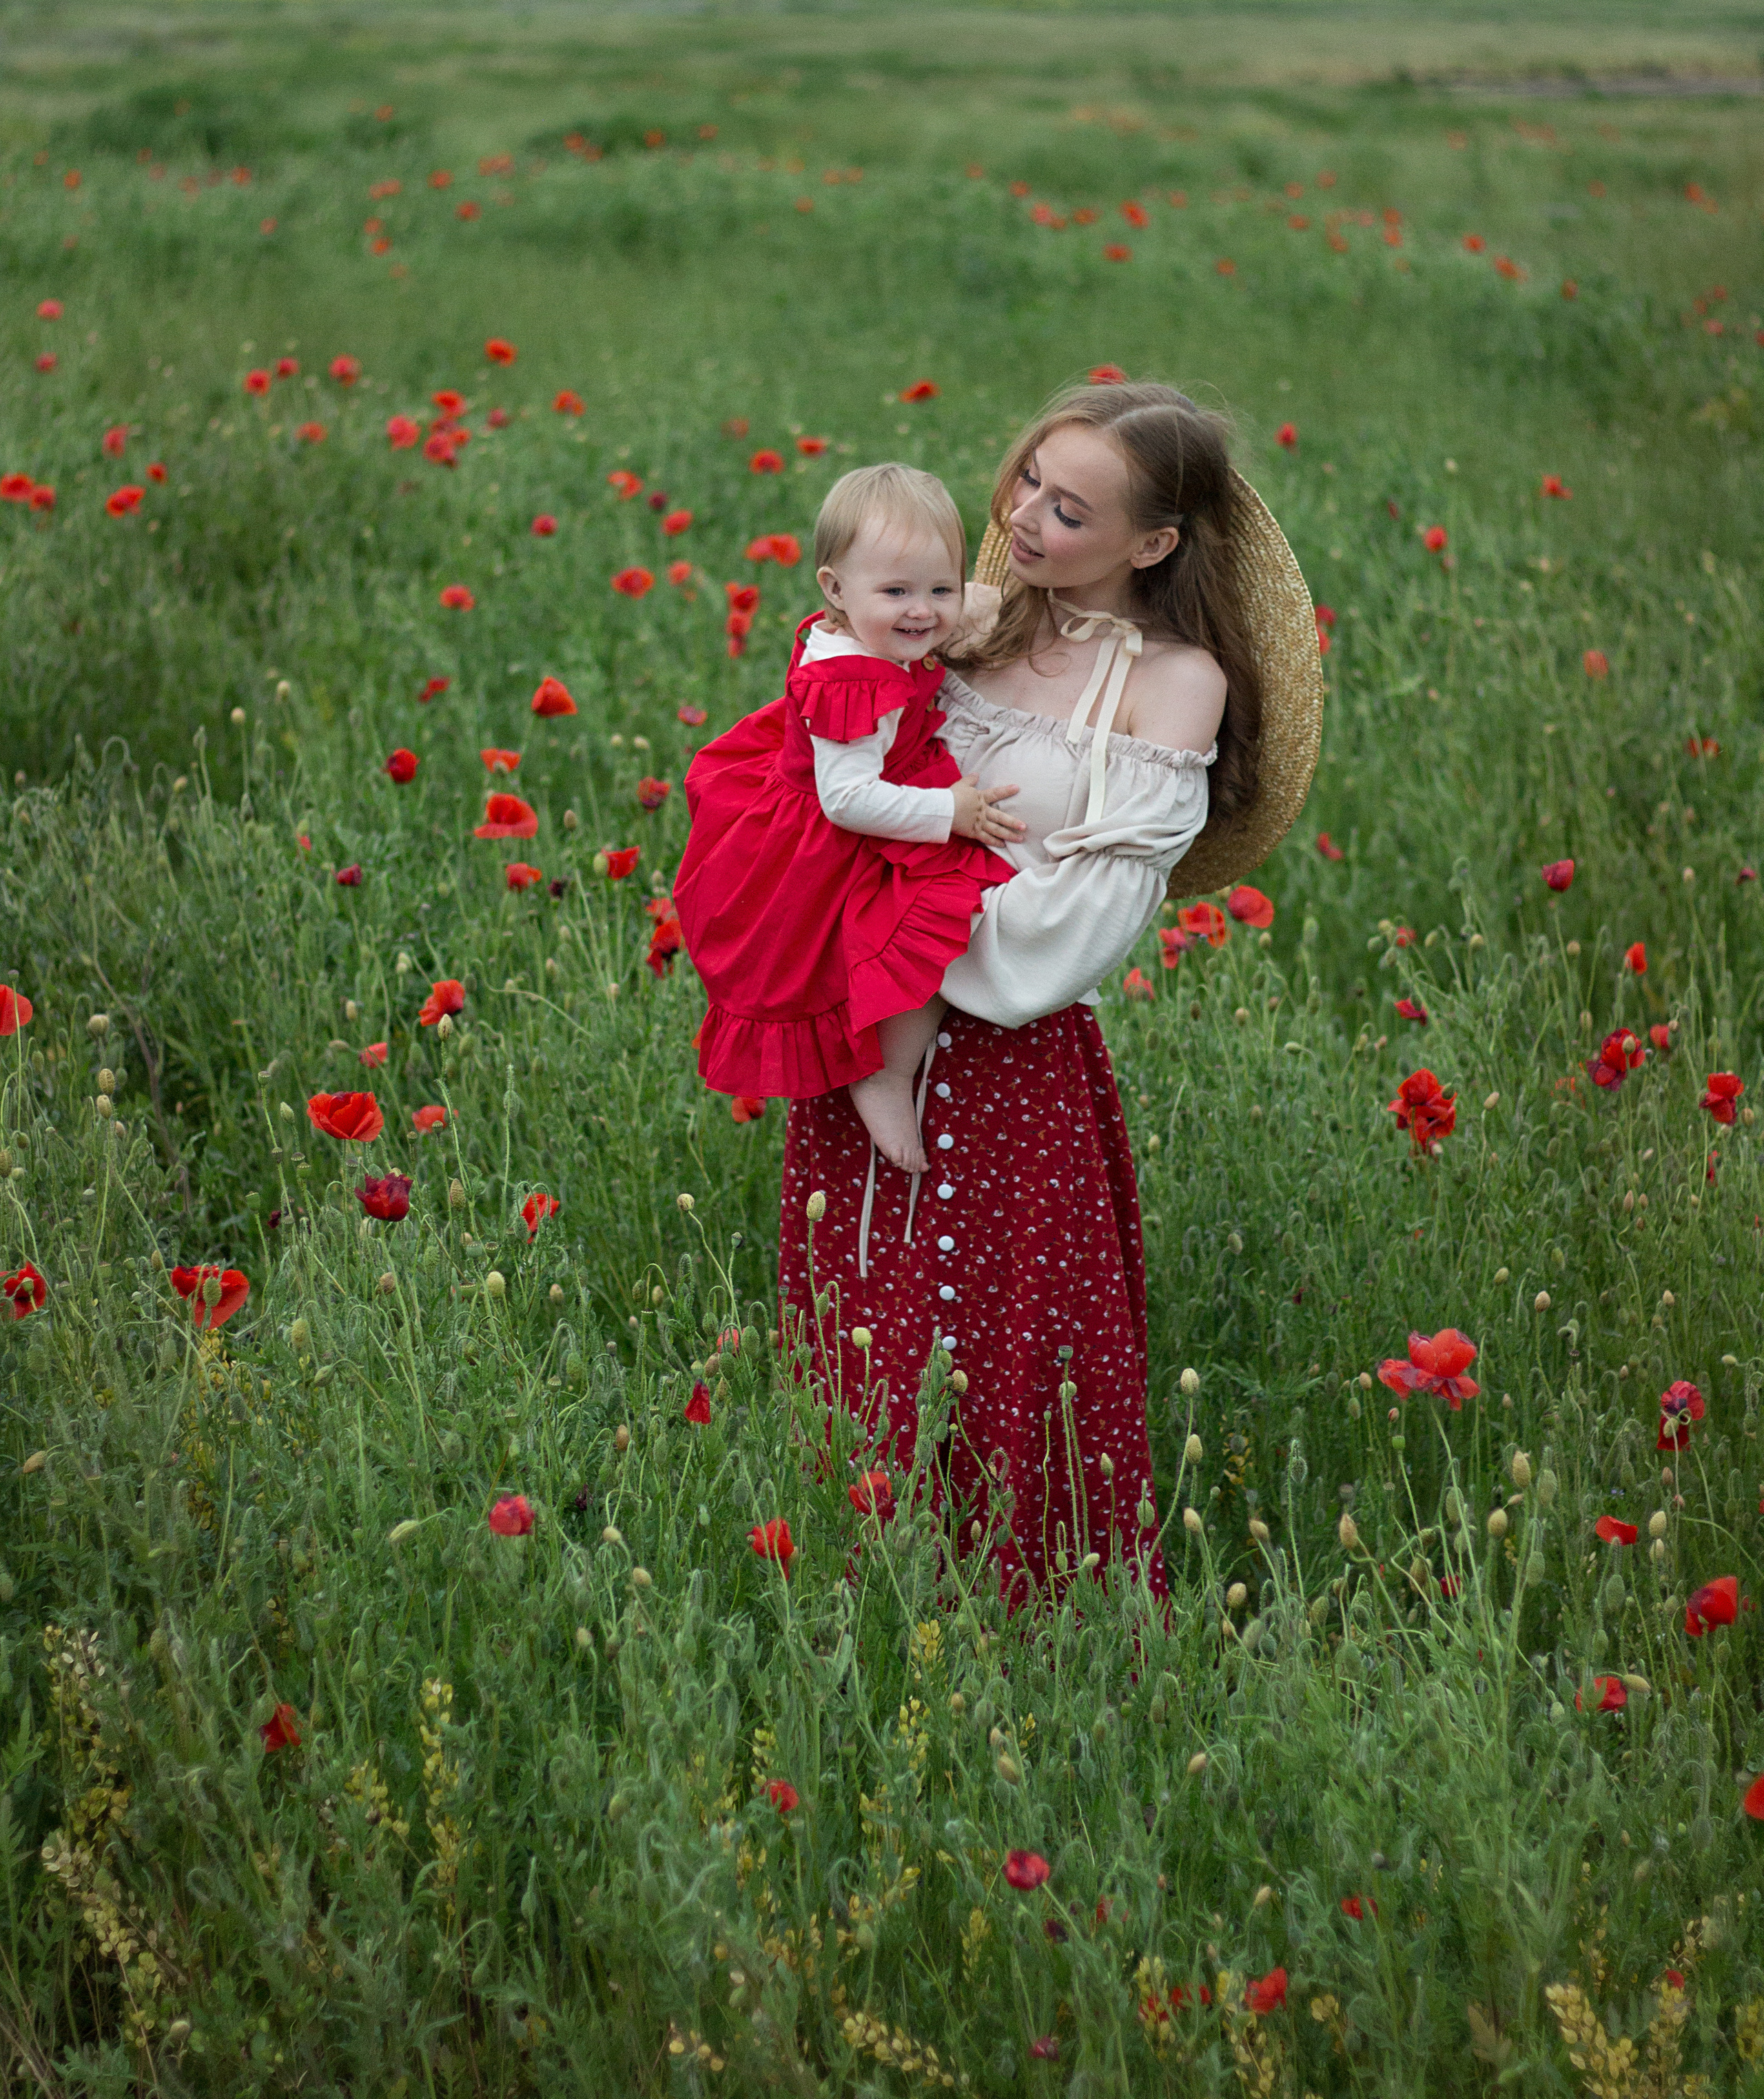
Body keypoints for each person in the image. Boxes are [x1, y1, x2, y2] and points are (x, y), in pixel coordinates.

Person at [775, 380, 1324, 1608]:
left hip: (1006, 1069)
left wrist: (877, 912)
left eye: (1069, 508)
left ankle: (1035, 1663)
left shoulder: (1174, 685)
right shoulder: (957, 618)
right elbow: (822, 751)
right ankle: (856, 1639)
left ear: (1154, 543)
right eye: (1026, 478)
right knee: (857, 1361)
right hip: (855, 1031)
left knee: (1015, 1375)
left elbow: (1075, 923)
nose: (1024, 517)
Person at [675, 463, 1023, 1175]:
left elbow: (951, 606)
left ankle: (887, 1068)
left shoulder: (864, 631)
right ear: (833, 589)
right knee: (935, 910)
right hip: (826, 834)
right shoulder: (851, 681)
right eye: (896, 591)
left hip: (843, 795)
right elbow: (847, 800)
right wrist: (948, 813)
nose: (922, 612)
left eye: (940, 589)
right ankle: (884, 1071)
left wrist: (980, 604)